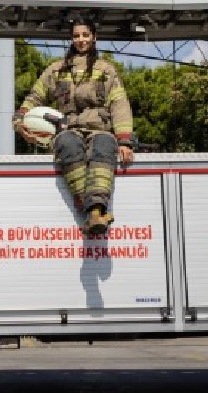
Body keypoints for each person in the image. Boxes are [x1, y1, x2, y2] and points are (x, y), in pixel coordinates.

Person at [15, 19, 134, 238]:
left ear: (94, 37)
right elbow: (35, 95)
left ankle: (96, 212)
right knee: (67, 144)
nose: (81, 40)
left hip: (101, 128)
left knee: (104, 146)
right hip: (68, 129)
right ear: (71, 39)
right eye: (76, 36)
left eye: (85, 35)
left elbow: (120, 104)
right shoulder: (56, 70)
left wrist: (125, 141)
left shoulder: (107, 70)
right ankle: (94, 213)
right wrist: (20, 118)